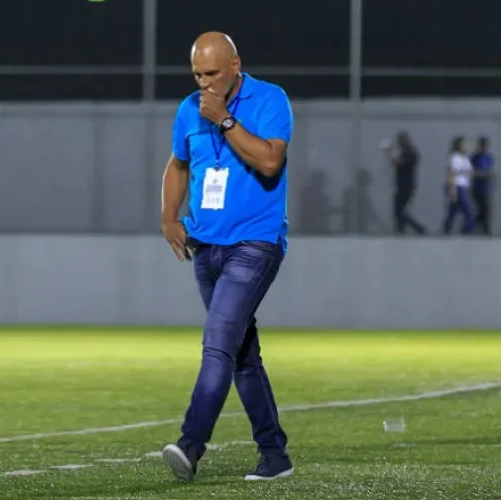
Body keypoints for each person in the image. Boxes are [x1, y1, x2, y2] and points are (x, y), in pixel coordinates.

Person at [159, 31, 294, 483]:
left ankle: (191, 444)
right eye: (198, 74)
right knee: (240, 355)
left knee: (218, 342)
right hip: (205, 247)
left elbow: (270, 162)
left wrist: (225, 121)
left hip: (254, 244)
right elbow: (178, 164)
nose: (204, 83)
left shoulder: (270, 100)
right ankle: (275, 455)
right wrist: (168, 216)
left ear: (235, 64)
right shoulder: (187, 110)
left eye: (212, 73)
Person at [381, 131, 427, 235]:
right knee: (398, 209)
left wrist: (390, 152)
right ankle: (400, 229)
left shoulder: (409, 152)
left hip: (405, 185)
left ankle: (418, 228)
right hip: (403, 184)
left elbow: (398, 162)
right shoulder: (406, 151)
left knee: (400, 210)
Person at [443, 136, 475, 235]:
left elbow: (469, 173)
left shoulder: (465, 158)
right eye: (464, 144)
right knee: (468, 210)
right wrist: (452, 189)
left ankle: (447, 228)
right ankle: (467, 229)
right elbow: (451, 173)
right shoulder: (455, 157)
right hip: (457, 186)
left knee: (453, 210)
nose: (467, 146)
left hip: (464, 186)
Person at [470, 136, 494, 235]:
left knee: (486, 210)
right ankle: (485, 230)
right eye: (483, 146)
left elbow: (489, 170)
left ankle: (475, 227)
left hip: (486, 188)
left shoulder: (489, 157)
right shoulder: (474, 158)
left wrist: (489, 175)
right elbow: (472, 172)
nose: (484, 148)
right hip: (477, 188)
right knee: (483, 209)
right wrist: (482, 174)